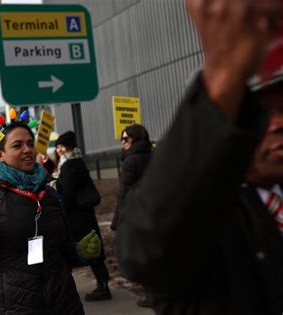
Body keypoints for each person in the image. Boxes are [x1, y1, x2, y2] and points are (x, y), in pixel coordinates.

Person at [116, 0, 283, 314]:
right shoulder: (202, 217)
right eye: (261, 112)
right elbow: (143, 250)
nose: (278, 123)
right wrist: (224, 72)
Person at [0, 120, 102, 314]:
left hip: (62, 303)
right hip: (7, 306)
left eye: (30, 144)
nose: (27, 150)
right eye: (17, 145)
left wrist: (80, 252)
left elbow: (62, 250)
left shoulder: (50, 194)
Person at [53, 130, 112, 301]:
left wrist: (60, 209)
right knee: (92, 251)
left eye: (61, 146)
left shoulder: (70, 165)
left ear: (69, 147)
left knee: (78, 252)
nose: (59, 150)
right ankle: (102, 285)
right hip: (83, 215)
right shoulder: (75, 162)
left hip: (77, 217)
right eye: (57, 146)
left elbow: (68, 193)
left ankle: (97, 288)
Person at [110, 124, 153, 307]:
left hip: (136, 214)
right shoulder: (154, 155)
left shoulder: (131, 161)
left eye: (126, 139)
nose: (123, 142)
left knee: (142, 255)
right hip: (154, 211)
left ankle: (150, 294)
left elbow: (124, 193)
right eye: (121, 139)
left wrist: (116, 221)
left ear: (135, 139)